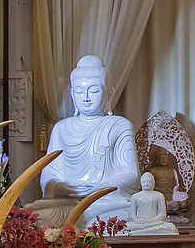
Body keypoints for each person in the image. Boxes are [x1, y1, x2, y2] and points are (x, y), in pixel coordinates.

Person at [32, 55, 139, 228]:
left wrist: (99, 187)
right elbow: (49, 175)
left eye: (94, 90)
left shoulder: (119, 125)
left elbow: (131, 175)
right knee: (36, 215)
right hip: (67, 202)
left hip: (104, 203)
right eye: (80, 92)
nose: (86, 97)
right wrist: (60, 187)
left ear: (108, 94)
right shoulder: (61, 128)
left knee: (126, 213)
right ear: (72, 94)